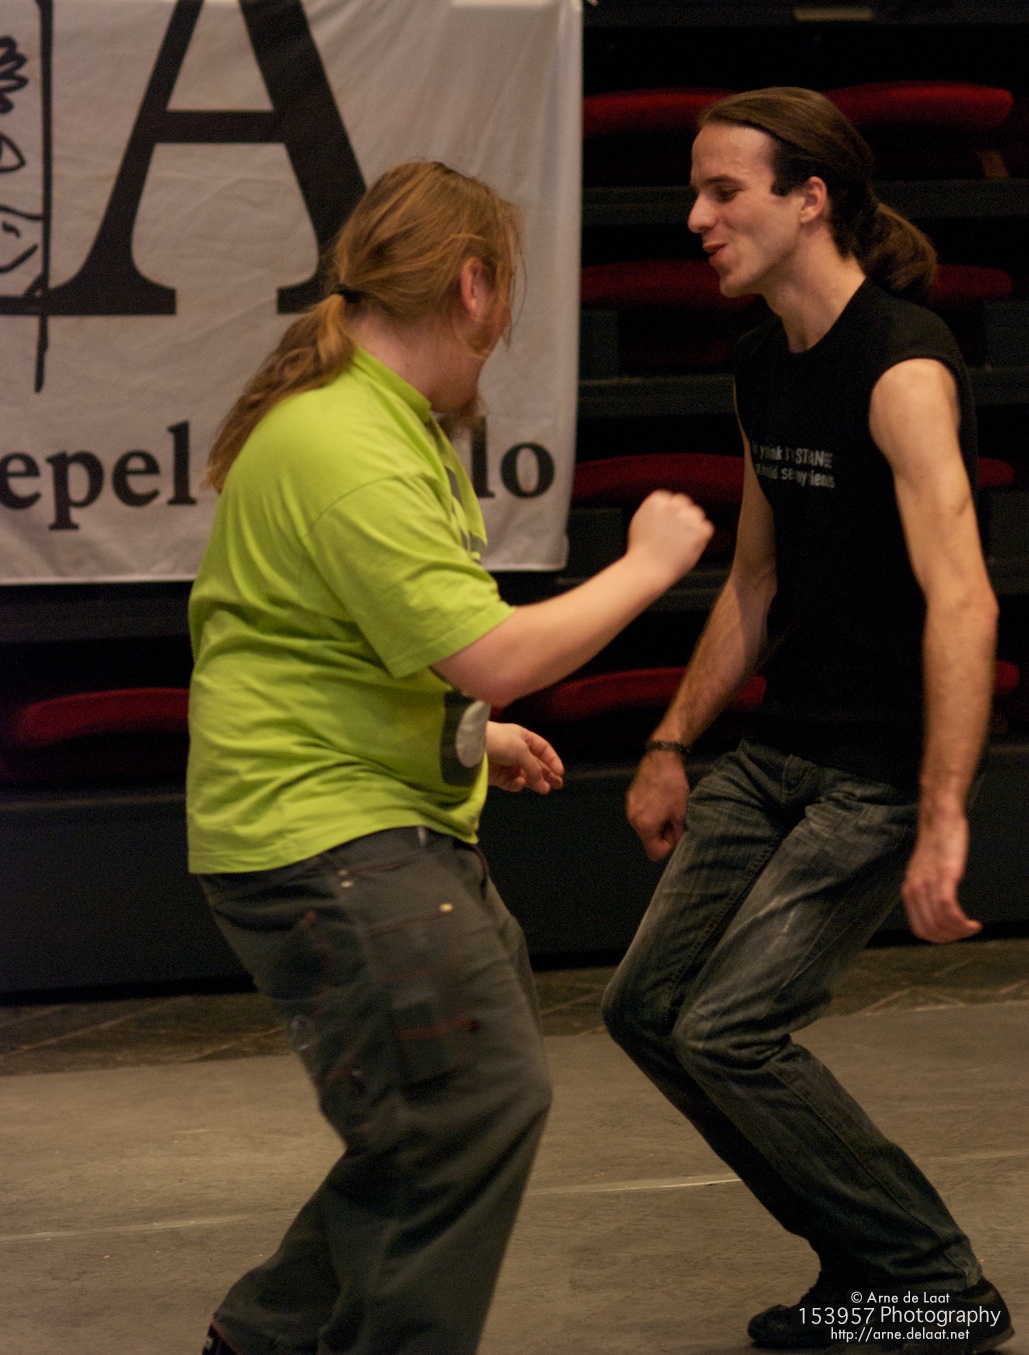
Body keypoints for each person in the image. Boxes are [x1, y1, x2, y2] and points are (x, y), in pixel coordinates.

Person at [188, 159, 713, 1355]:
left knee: (443, 1119)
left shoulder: (380, 423)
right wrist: (647, 565)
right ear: (473, 286)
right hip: (326, 837)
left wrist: (476, 733)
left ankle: (267, 1338)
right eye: (504, 292)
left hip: (366, 819)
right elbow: (491, 654)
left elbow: (363, 644)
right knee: (471, 1104)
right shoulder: (345, 442)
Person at [602, 89, 1013, 1351]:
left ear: (810, 199)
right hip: (777, 752)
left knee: (729, 1030)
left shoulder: (902, 367)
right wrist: (671, 743)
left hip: (873, 776)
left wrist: (942, 812)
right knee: (645, 1010)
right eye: (696, 190)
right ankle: (867, 1266)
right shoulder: (760, 362)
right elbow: (754, 580)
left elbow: (964, 595)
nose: (696, 217)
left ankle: (933, 1284)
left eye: (724, 191)